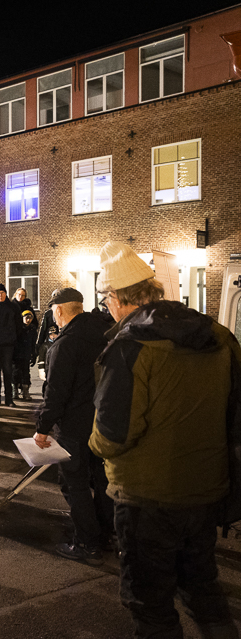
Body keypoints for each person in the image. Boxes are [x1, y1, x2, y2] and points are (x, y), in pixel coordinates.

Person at [89, 241, 241, 638]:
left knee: (150, 603)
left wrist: (92, 446)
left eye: (107, 299)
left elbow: (114, 433)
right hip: (206, 489)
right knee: (203, 588)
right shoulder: (218, 336)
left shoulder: (130, 347)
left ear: (118, 299)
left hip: (147, 497)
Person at [31, 288, 112, 565]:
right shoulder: (105, 333)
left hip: (75, 427)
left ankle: (87, 543)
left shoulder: (65, 345)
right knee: (102, 481)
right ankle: (107, 534)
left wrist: (43, 428)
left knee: (74, 484)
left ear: (60, 311)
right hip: (103, 422)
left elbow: (56, 393)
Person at [12, 309, 37, 401]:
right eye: (26, 317)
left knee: (26, 373)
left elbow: (33, 342)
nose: (28, 320)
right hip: (17, 354)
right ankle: (14, 390)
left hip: (26, 354)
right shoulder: (18, 328)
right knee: (15, 372)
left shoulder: (32, 329)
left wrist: (33, 354)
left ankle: (25, 391)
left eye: (30, 318)